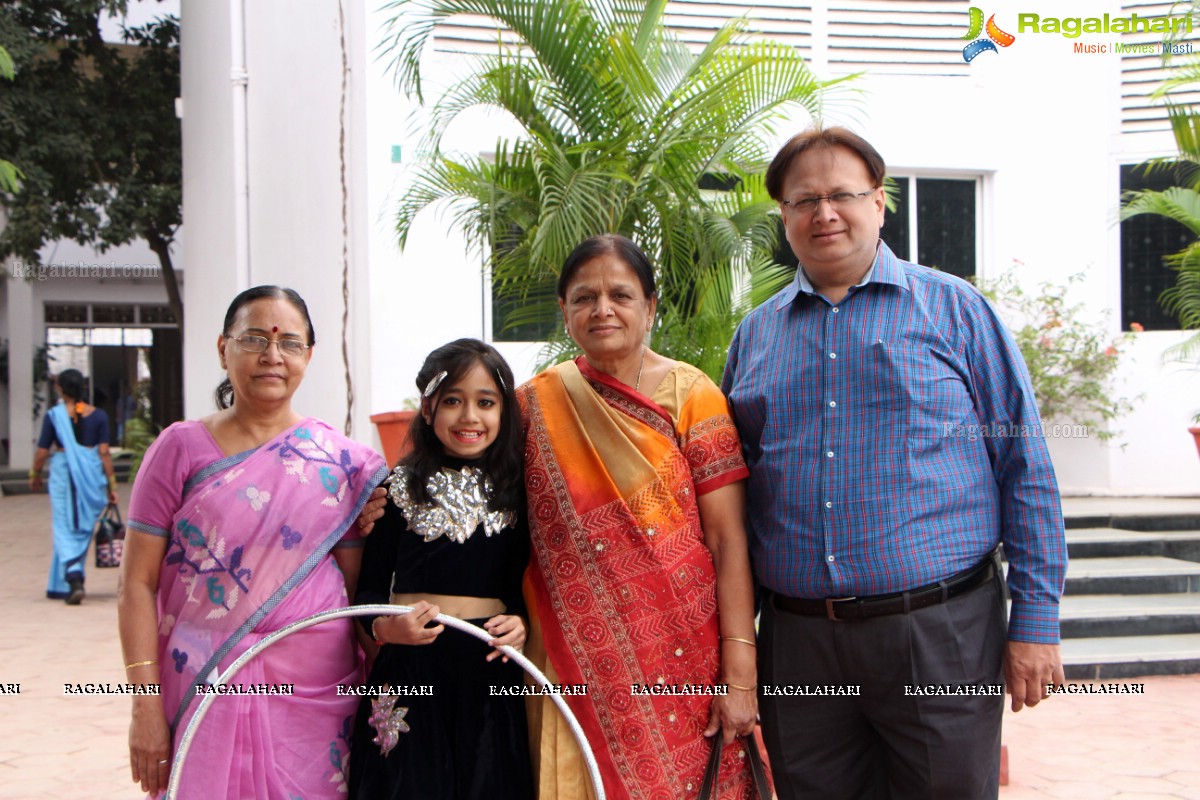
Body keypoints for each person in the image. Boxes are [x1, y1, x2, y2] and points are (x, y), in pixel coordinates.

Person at [721, 126, 1068, 798]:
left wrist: (1036, 622)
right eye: (804, 200)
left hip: (939, 633)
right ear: (784, 216)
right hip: (799, 640)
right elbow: (734, 491)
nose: (825, 213)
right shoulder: (756, 335)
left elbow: (1024, 463)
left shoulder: (955, 311)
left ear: (880, 203)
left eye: (843, 195)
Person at [116, 286, 387, 798]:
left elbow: (360, 595)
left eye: (289, 343)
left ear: (309, 355)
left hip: (318, 690)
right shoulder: (179, 448)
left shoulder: (343, 464)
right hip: (202, 680)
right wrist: (144, 705)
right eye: (255, 339)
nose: (272, 356)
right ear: (223, 348)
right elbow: (136, 583)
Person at [522, 234, 761, 799]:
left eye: (620, 295)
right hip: (572, 660)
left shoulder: (691, 394)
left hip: (685, 660)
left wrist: (741, 672)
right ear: (564, 310)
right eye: (584, 297)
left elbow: (728, 542)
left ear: (650, 306)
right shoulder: (533, 403)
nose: (602, 309)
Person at [348, 338, 533, 799]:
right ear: (428, 409)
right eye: (453, 401)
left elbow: (525, 586)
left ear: (504, 412)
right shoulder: (397, 488)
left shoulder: (520, 492)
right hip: (410, 668)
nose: (470, 417)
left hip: (488, 669)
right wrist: (388, 633)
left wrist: (520, 623)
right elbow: (367, 595)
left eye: (486, 402)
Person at [29, 368, 119, 604]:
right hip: (91, 477)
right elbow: (104, 453)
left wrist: (34, 474)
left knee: (63, 524)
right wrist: (111, 486)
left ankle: (73, 574)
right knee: (82, 525)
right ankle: (70, 574)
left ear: (60, 388)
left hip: (62, 474)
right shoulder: (98, 416)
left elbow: (41, 452)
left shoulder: (54, 415)